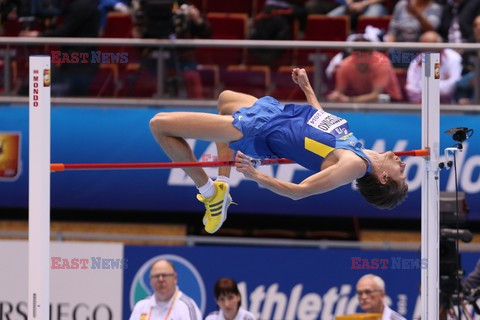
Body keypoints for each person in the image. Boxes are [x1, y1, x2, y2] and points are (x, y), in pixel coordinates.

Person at [149, 68, 408, 234]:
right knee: (225, 99)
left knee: (159, 125)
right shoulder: (358, 149)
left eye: (402, 175)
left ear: (384, 179)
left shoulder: (355, 166)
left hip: (258, 130)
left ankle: (207, 191)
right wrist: (307, 88)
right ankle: (223, 184)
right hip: (277, 113)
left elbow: (300, 192)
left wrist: (256, 176)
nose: (404, 166)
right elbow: (320, 120)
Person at [326, 43, 403, 103]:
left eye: (364, 56)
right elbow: (339, 92)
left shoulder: (382, 63)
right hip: (361, 102)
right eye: (358, 56)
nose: (361, 60)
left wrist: (349, 100)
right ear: (352, 54)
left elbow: (375, 95)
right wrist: (335, 97)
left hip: (391, 101)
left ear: (371, 54)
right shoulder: (345, 65)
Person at [129, 259, 202, 320]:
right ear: (150, 280)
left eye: (165, 275)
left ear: (175, 278)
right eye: (156, 276)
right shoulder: (141, 306)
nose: (160, 279)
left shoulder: (186, 307)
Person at [405, 31, 462, 104]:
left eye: (431, 45)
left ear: (439, 45)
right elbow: (411, 89)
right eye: (425, 46)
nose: (428, 49)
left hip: (449, 106)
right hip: (422, 105)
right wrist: (441, 82)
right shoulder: (417, 60)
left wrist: (424, 85)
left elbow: (451, 88)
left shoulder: (453, 57)